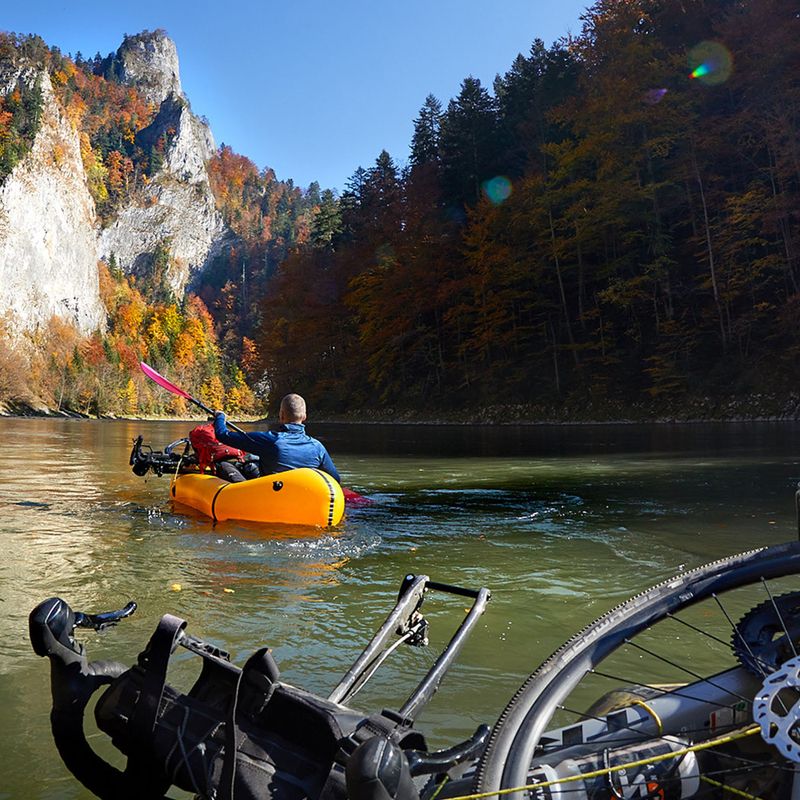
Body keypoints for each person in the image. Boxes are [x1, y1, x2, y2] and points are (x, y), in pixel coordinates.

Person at [213, 393, 340, 483]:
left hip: (273, 495)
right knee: (253, 462)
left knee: (224, 465)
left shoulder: (270, 440)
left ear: (281, 415)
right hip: (303, 498)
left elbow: (223, 435)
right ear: (304, 416)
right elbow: (335, 479)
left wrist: (220, 417)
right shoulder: (317, 447)